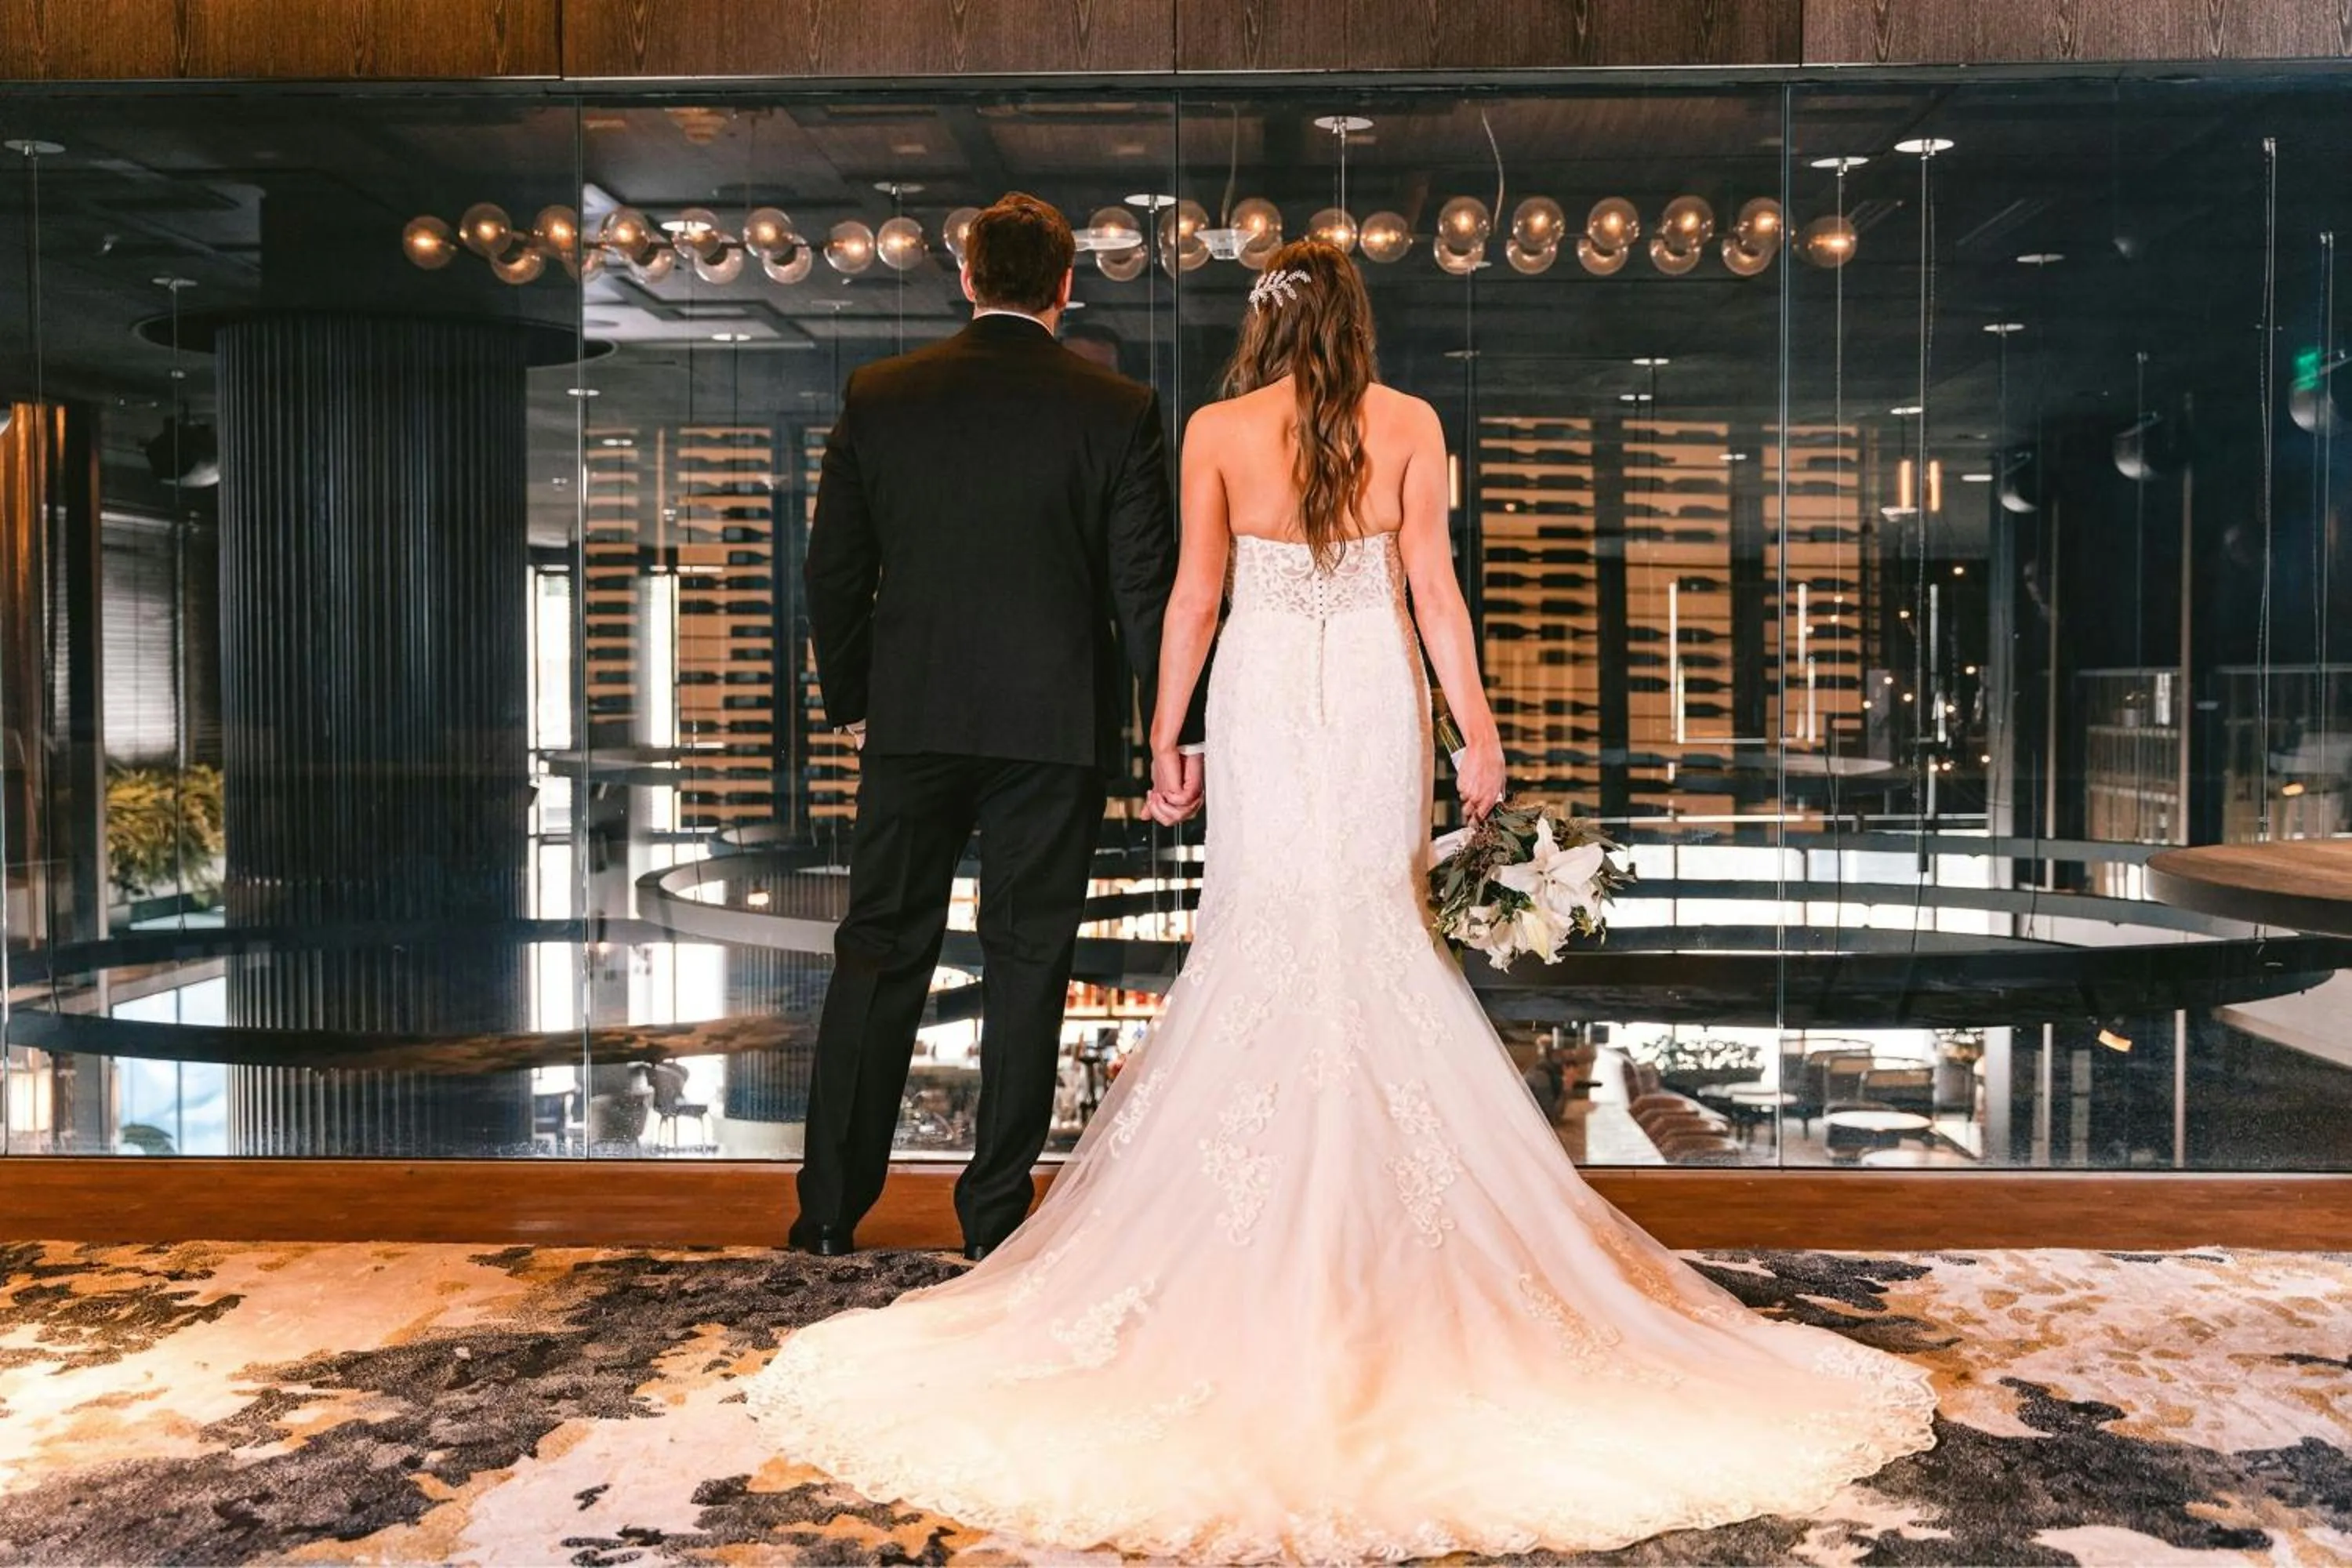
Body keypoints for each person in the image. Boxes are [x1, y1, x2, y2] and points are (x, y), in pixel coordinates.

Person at [746, 238, 1936, 1561]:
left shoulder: (1212, 430)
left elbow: (1193, 598)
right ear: (1358, 320)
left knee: (1262, 935)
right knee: (1379, 937)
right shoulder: (1411, 423)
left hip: (1260, 695)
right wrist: (1478, 735)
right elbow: (1435, 594)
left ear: (1261, 324)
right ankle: (1393, 1243)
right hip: (1376, 698)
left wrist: (1166, 732)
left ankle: (1062, 1220)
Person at [789, 192, 1203, 1264]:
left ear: (967, 279)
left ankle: (828, 1214)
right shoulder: (1117, 409)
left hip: (915, 717)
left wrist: (857, 702)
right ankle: (992, 1224)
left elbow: (832, 573)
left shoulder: (883, 396)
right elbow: (1144, 591)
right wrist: (1176, 730)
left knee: (880, 953)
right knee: (1028, 963)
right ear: (1067, 287)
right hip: (1052, 727)